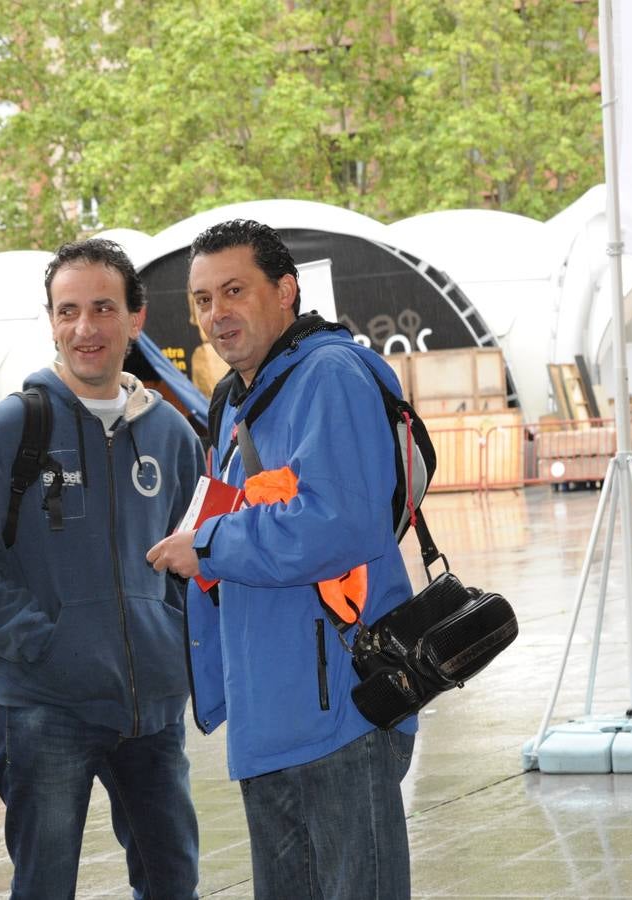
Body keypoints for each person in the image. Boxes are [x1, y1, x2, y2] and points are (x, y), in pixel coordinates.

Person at [0, 239, 205, 900]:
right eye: (67, 310)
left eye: (103, 308)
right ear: (50, 321)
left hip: (153, 717)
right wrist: (40, 639)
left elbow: (198, 554)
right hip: (46, 713)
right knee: (45, 888)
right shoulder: (9, 430)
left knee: (174, 883)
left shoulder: (174, 437)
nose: (85, 327)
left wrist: (174, 647)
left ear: (136, 319)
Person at [147, 219, 416, 900]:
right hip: (268, 719)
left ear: (286, 290)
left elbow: (340, 523)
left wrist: (207, 545)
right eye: (203, 300)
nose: (216, 314)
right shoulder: (236, 401)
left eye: (234, 290)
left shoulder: (329, 374)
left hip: (341, 713)